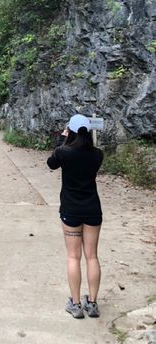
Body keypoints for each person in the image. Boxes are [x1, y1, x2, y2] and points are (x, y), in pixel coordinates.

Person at [47, 114, 104, 319]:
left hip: (70, 210)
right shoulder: (98, 154)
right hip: (92, 209)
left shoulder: (63, 152)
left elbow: (51, 163)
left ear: (69, 130)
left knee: (73, 256)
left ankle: (76, 304)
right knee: (92, 256)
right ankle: (93, 304)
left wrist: (62, 140)